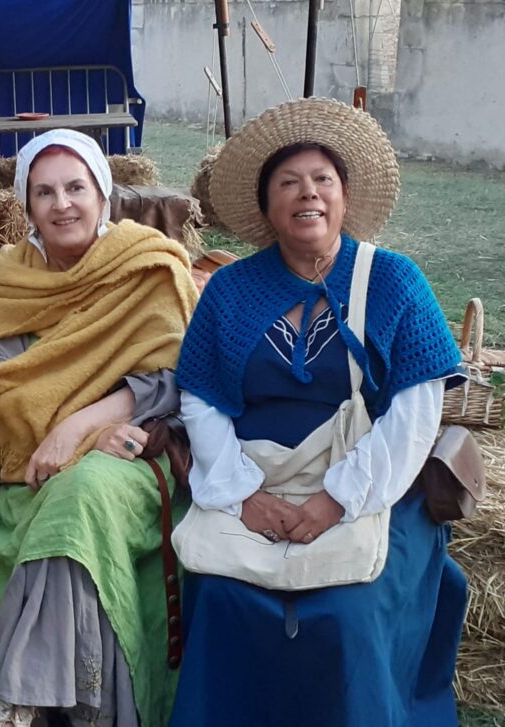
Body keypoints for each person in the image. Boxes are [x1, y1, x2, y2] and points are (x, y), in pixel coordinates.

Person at [170, 97, 467, 725]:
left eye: (322, 179)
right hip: (253, 484)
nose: (307, 193)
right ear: (266, 206)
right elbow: (201, 397)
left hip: (373, 488)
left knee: (348, 611)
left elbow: (416, 410)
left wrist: (339, 498)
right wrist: (242, 495)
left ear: (344, 197)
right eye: (288, 182)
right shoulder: (229, 290)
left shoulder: (395, 281)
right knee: (221, 591)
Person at [0, 129, 199, 727]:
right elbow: (11, 396)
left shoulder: (147, 265)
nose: (62, 204)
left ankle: (20, 705)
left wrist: (87, 425)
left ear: (102, 195)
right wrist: (77, 438)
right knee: (23, 529)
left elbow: (176, 378)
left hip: (138, 451)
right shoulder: (6, 282)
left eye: (75, 188)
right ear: (27, 206)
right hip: (35, 460)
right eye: (45, 192)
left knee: (80, 499)